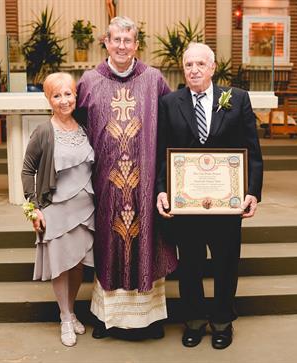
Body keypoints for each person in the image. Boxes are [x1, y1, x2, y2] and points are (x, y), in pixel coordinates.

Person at [156, 43, 263, 349]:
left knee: (226, 264)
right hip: (187, 202)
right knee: (189, 265)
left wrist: (252, 192)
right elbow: (162, 153)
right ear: (183, 67)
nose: (194, 70)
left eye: (201, 64)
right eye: (189, 64)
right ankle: (193, 321)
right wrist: (162, 189)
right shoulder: (170, 102)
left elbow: (252, 150)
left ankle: (222, 322)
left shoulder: (237, 99)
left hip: (225, 204)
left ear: (213, 67)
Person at [76, 16, 177, 340]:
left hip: (146, 183)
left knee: (148, 241)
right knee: (109, 244)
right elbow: (75, 130)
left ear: (136, 44)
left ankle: (149, 318)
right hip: (106, 184)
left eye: (128, 40)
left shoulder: (154, 79)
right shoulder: (89, 80)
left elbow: (174, 123)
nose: (122, 46)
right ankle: (108, 317)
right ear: (106, 41)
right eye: (116, 39)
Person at [21, 72, 94, 347]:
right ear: (48, 99)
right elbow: (28, 170)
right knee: (61, 267)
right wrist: (33, 208)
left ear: (76, 95)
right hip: (56, 208)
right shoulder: (43, 131)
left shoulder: (85, 125)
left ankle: (71, 310)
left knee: (76, 264)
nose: (64, 100)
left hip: (85, 208)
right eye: (56, 95)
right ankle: (64, 317)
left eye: (68, 94)